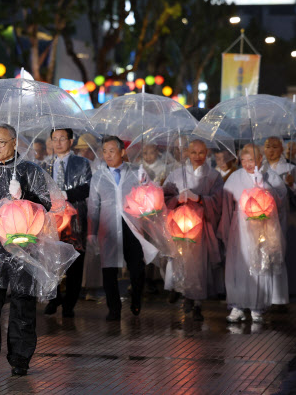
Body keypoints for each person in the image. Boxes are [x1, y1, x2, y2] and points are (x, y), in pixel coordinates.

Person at [0, 124, 53, 377]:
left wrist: (24, 194)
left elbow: (47, 204)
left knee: (22, 304)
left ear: (14, 143)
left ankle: (20, 359)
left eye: (1, 142)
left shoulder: (30, 171)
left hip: (24, 250)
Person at [87, 136, 155, 321]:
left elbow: (150, 194)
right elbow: (93, 205)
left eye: (112, 151)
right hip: (108, 228)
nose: (108, 155)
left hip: (131, 226)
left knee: (137, 268)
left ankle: (136, 297)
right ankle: (114, 309)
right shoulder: (99, 176)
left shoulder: (136, 171)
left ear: (122, 152)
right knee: (109, 270)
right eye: (105, 151)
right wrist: (92, 232)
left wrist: (145, 185)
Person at [219, 144, 288, 323]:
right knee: (240, 264)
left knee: (259, 263)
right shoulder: (235, 177)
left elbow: (281, 202)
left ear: (260, 159)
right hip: (240, 228)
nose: (248, 164)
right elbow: (226, 205)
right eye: (244, 160)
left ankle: (258, 305)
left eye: (252, 159)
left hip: (262, 228)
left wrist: (264, 187)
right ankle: (237, 305)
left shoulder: (270, 177)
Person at [162, 140, 224, 321]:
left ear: (208, 153)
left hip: (200, 227)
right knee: (178, 261)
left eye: (201, 152)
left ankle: (196, 302)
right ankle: (179, 291)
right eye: (193, 152)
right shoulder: (176, 174)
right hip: (178, 225)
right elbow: (165, 196)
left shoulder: (214, 176)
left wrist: (199, 199)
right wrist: (177, 199)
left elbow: (218, 201)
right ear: (187, 153)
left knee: (198, 265)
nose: (197, 157)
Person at [43, 128, 92, 317]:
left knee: (75, 260)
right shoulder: (46, 165)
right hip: (52, 219)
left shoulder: (82, 164)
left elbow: (88, 187)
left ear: (71, 141)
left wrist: (67, 195)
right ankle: (53, 299)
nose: (58, 143)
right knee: (50, 259)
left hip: (74, 218)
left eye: (62, 139)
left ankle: (70, 303)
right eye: (54, 139)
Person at [262, 137, 296, 295]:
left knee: (284, 250)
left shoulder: (290, 168)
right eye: (268, 146)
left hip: (286, 216)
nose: (271, 150)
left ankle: (285, 291)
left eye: (275, 147)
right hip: (265, 217)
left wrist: (292, 185)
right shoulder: (260, 168)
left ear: (282, 149)